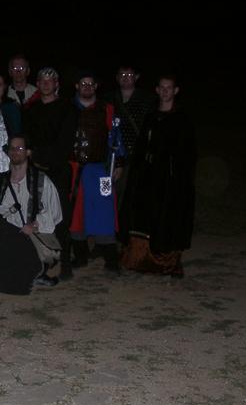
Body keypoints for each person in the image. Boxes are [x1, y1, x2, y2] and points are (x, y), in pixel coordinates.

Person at [0, 136, 63, 294]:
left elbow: (54, 213)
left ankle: (32, 272)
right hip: (6, 237)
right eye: (12, 148)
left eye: (20, 148)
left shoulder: (42, 181)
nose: (15, 151)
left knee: (14, 255)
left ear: (28, 152)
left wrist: (34, 225)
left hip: (31, 238)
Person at [120, 74, 196, 278]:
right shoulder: (151, 116)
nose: (165, 91)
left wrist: (177, 176)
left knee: (167, 217)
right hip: (147, 176)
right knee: (144, 215)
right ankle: (140, 258)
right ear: (157, 90)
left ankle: (167, 261)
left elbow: (186, 153)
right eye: (162, 87)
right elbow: (143, 147)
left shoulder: (182, 119)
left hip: (170, 180)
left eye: (169, 88)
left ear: (175, 91)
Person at [23, 67, 78, 280]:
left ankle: (65, 262)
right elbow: (27, 139)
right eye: (42, 80)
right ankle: (39, 261)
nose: (46, 84)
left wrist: (39, 154)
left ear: (57, 84)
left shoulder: (68, 109)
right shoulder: (31, 109)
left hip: (58, 170)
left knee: (61, 216)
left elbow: (64, 143)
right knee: (34, 214)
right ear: (37, 83)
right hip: (35, 170)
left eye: (50, 80)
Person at [68, 71, 121, 272]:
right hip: (74, 170)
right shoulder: (68, 108)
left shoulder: (106, 109)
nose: (87, 87)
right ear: (77, 86)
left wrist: (119, 163)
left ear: (96, 86)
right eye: (83, 83)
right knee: (76, 213)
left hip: (101, 170)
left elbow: (115, 137)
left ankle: (111, 259)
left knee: (105, 211)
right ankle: (80, 255)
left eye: (91, 84)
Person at [102, 64, 156, 242]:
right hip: (108, 158)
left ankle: (124, 235)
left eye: (130, 74)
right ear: (117, 77)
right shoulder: (107, 98)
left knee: (129, 197)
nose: (126, 78)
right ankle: (104, 235)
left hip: (135, 158)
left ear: (137, 77)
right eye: (122, 74)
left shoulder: (147, 100)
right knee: (106, 194)